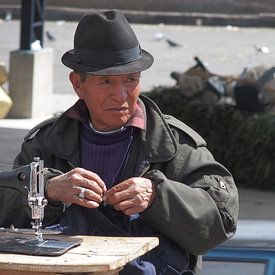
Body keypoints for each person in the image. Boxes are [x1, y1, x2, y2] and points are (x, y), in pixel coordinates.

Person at [2, 9, 239, 274]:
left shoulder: (175, 145)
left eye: (130, 80)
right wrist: (48, 189)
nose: (121, 95)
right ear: (77, 84)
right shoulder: (44, 144)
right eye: (106, 82)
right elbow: (5, 210)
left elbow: (221, 221)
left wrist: (158, 197)